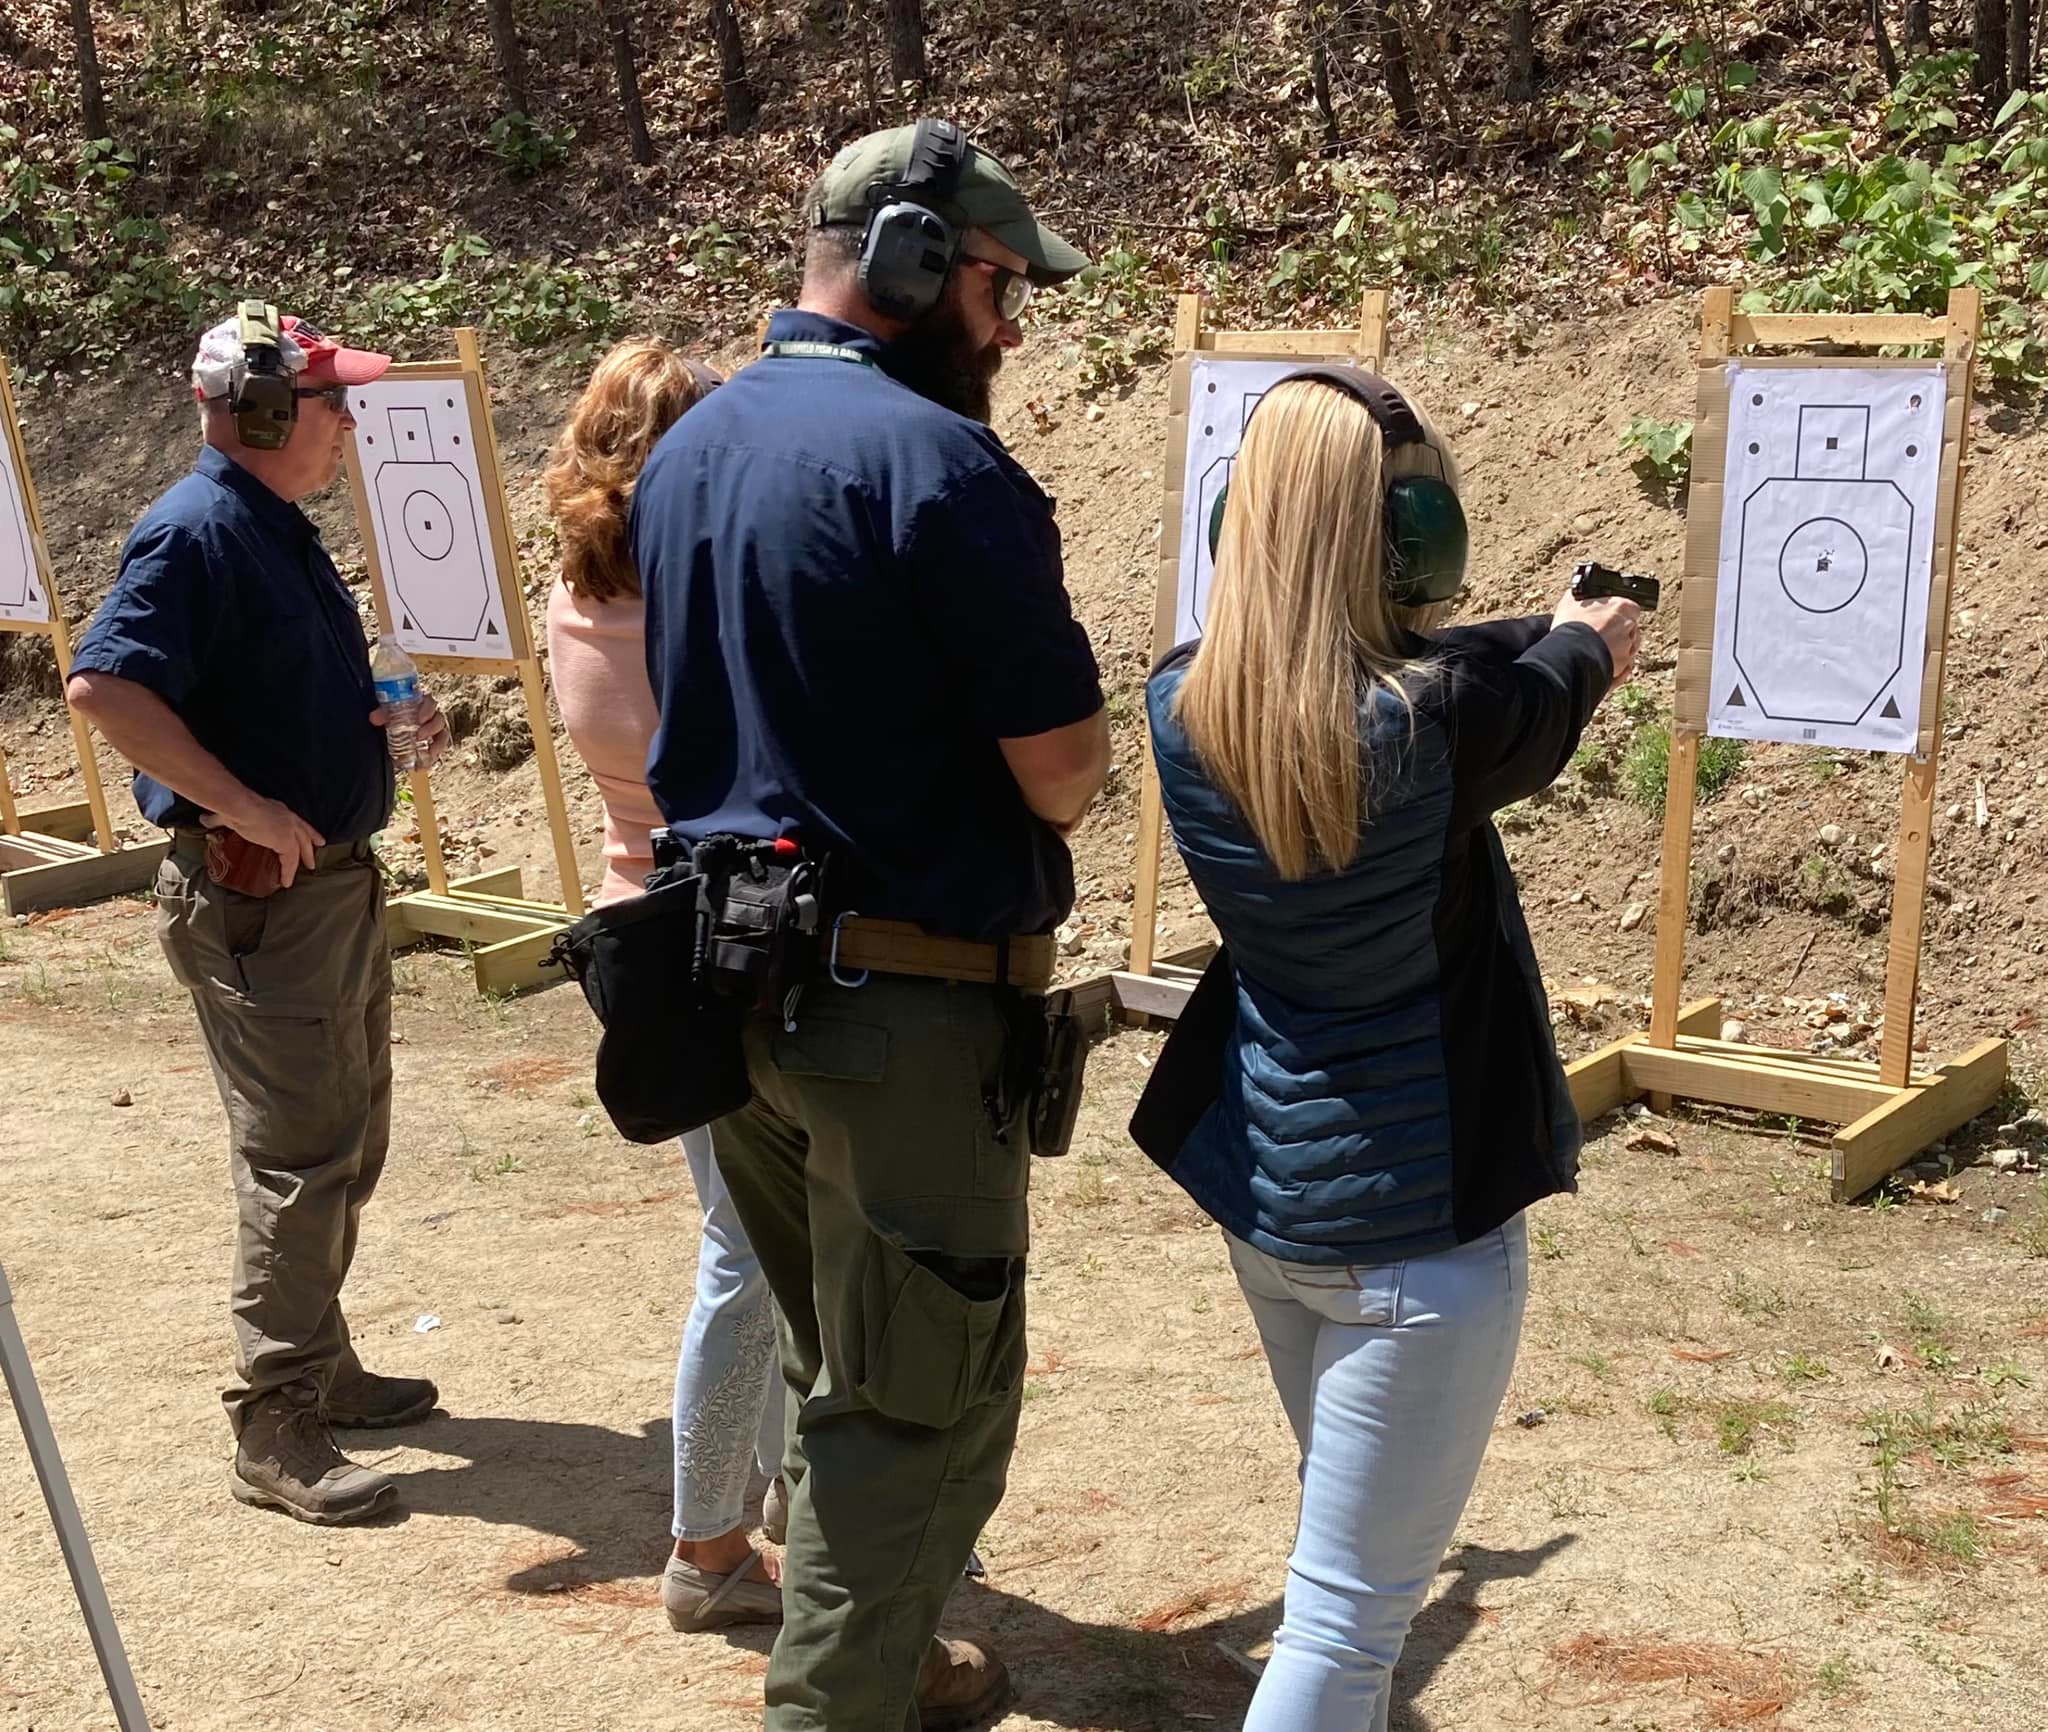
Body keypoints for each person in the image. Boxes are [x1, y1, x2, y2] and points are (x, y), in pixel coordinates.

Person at [630, 120, 1109, 1731]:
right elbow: (1062, 778)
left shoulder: (690, 448)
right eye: (992, 282)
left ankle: (884, 1672)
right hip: (898, 1013)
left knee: (850, 1371)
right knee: (920, 1413)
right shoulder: (943, 466)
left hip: (734, 998)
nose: (1010, 323)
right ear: (913, 260)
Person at [1132, 368, 1641, 1731]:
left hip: (1276, 1208)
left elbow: (1468, 663)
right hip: (1419, 1233)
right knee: (1348, 1633)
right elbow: (1528, 692)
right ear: (1407, 537)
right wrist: (1592, 634)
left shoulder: (1183, 704)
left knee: (1344, 1575)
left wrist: (1556, 628)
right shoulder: (1438, 725)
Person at [66, 306, 452, 1526]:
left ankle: (318, 1358)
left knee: (348, 1138)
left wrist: (387, 728)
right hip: (261, 898)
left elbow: (264, 692)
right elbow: (103, 684)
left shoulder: (267, 529)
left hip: (322, 891)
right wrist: (237, 799)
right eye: (332, 403)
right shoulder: (193, 533)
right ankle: (275, 1415)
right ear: (269, 412)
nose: (348, 424)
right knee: (300, 1157)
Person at [541, 337, 787, 1631]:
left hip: (649, 933)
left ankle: (794, 1508)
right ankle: (707, 1549)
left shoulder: (578, 599)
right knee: (749, 1251)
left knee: (767, 1239)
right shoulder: (686, 608)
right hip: (711, 946)